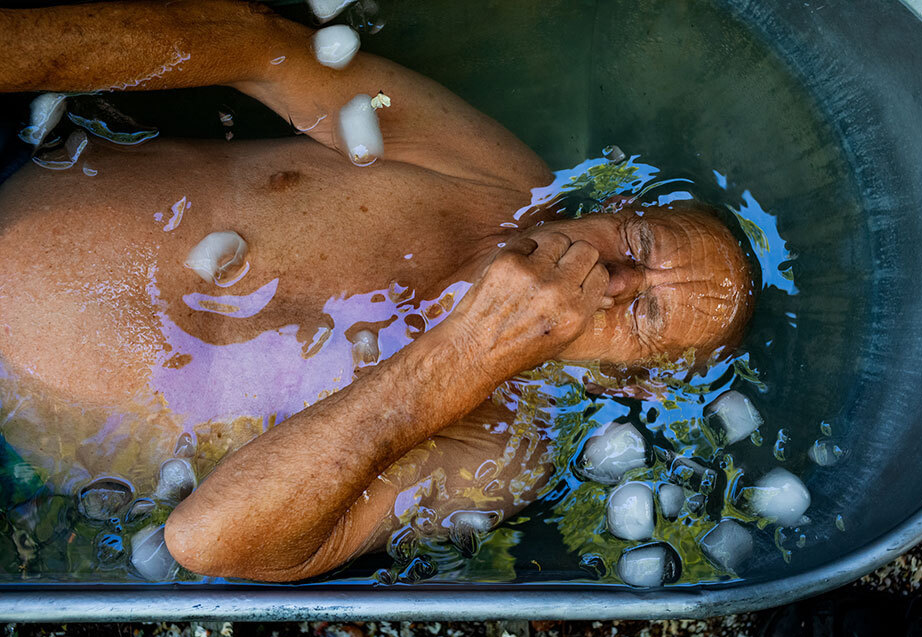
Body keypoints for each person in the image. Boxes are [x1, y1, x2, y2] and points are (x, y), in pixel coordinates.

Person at [0, 0, 754, 582]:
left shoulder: (502, 450)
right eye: (640, 244)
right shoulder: (497, 179)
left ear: (633, 384)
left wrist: (470, 352)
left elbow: (209, 541)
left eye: (643, 312)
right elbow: (253, 44)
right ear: (617, 205)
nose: (612, 278)